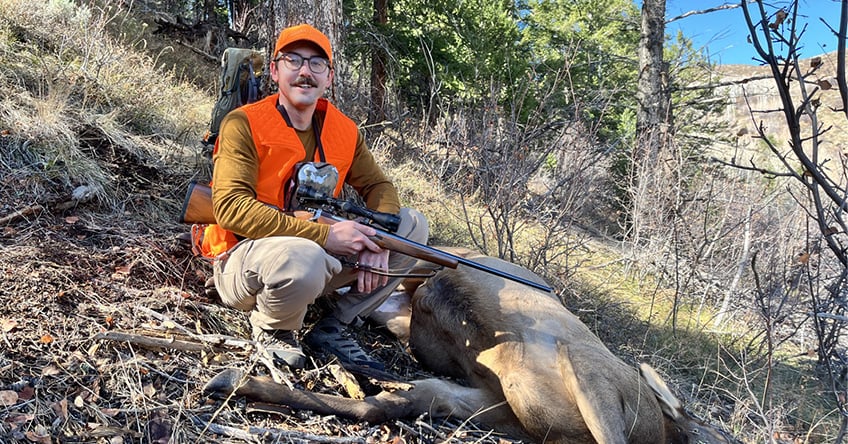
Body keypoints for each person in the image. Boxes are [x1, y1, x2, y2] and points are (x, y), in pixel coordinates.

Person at [198, 24, 429, 370]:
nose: (305, 71)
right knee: (301, 256)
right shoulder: (243, 124)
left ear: (329, 78)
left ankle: (336, 323)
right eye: (293, 60)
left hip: (316, 257)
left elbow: (381, 188)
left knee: (411, 227)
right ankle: (274, 329)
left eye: (317, 63)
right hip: (242, 259)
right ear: (275, 71)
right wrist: (327, 236)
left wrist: (380, 241)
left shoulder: (345, 130)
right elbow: (231, 209)